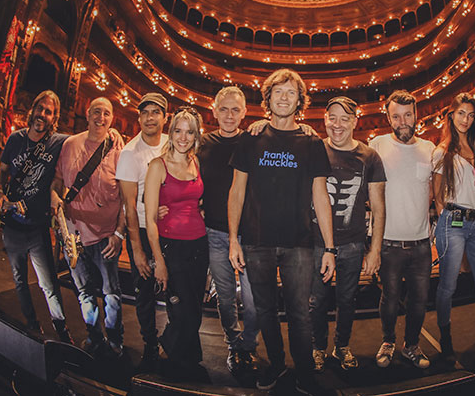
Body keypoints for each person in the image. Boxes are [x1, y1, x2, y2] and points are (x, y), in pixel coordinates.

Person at [228, 69, 336, 394]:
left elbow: (321, 195)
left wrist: (329, 248)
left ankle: (304, 373)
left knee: (300, 313)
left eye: (291, 92)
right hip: (256, 241)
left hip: (299, 243)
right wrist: (233, 239)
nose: (284, 97)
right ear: (268, 98)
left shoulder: (312, 142)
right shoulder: (251, 138)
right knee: (264, 311)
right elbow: (237, 191)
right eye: (278, 91)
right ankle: (276, 365)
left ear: (300, 100)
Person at [310, 96, 386, 372]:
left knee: (347, 300)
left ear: (355, 121)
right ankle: (318, 347)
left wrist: (374, 249)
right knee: (316, 301)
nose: (338, 124)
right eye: (332, 118)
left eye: (345, 118)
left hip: (353, 244)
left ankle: (341, 346)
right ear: (325, 120)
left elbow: (378, 207)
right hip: (317, 243)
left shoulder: (370, 157)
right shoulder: (314, 150)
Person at [0, 90, 72, 343]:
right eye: (40, 108)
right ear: (32, 109)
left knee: (48, 284)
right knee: (19, 281)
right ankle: (32, 325)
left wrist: (110, 133)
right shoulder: (15, 139)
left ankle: (62, 331)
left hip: (38, 227)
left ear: (54, 118)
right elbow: (2, 172)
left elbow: (84, 140)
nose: (42, 114)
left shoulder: (58, 141)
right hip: (12, 226)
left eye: (48, 112)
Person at [51, 97, 126, 355]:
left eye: (106, 113)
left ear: (112, 119)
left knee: (111, 293)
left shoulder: (119, 150)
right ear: (87, 113)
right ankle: (94, 336)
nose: (100, 118)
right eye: (96, 111)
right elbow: (57, 180)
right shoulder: (70, 144)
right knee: (84, 292)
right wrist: (54, 196)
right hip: (74, 236)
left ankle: (115, 340)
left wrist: (119, 234)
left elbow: (126, 198)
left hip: (107, 237)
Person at [370, 90, 435, 369]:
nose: (403, 122)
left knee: (419, 300)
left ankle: (411, 345)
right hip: (388, 243)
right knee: (390, 298)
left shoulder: (430, 148)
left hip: (421, 243)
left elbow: (433, 190)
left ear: (416, 114)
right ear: (388, 118)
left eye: (408, 115)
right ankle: (388, 341)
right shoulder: (377, 145)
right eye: (396, 116)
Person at [197, 86, 259, 373]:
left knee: (253, 300)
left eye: (236, 110)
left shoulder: (253, 142)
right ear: (214, 111)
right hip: (214, 233)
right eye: (224, 109)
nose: (230, 115)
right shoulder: (202, 144)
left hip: (249, 234)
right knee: (224, 297)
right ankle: (234, 345)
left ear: (244, 113)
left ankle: (250, 344)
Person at [144, 107, 209, 380]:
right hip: (172, 247)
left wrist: (200, 210)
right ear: (171, 133)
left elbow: (196, 200)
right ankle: (167, 352)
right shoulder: (157, 166)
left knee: (194, 309)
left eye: (189, 132)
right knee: (183, 312)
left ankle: (186, 361)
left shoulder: (196, 162)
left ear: (196, 136)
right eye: (179, 131)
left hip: (199, 245)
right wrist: (159, 260)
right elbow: (150, 220)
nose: (183, 137)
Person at [432, 93, 475, 354]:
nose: (465, 120)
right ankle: (445, 337)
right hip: (454, 221)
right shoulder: (442, 151)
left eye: (471, 115)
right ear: (451, 115)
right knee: (448, 285)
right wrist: (446, 224)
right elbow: (438, 196)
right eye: (461, 113)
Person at [115, 93, 168, 370]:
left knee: (174, 289)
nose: (150, 117)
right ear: (139, 117)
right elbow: (129, 206)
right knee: (145, 293)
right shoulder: (129, 153)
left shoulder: (172, 143)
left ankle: (172, 340)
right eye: (145, 112)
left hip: (170, 230)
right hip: (143, 231)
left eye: (155, 112)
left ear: (165, 118)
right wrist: (135, 249)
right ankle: (150, 343)